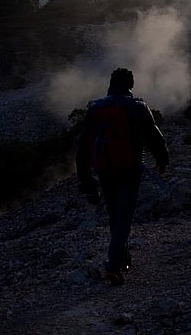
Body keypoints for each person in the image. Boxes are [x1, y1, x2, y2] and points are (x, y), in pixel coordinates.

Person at [75, 67, 169, 286]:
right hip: (129, 169)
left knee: (114, 214)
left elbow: (83, 147)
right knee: (124, 216)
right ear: (131, 85)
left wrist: (85, 179)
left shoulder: (95, 108)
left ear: (110, 84)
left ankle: (123, 258)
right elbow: (154, 136)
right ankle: (113, 266)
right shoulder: (137, 107)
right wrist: (162, 160)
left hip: (104, 169)